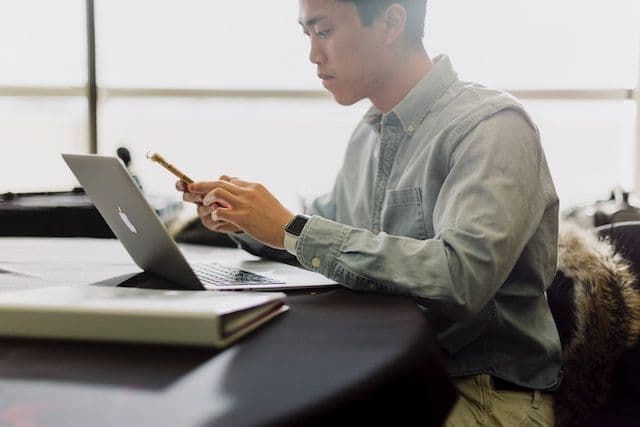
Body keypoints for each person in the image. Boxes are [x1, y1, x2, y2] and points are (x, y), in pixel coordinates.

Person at [177, 0, 562, 425]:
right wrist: (247, 221)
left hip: (479, 390)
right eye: (307, 35)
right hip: (392, 371)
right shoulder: (369, 133)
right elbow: (324, 235)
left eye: (323, 31)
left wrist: (290, 228)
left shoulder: (491, 127)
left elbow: (461, 276)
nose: (313, 55)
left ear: (392, 22)